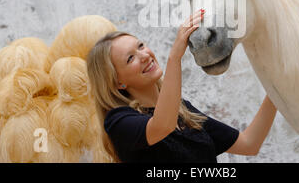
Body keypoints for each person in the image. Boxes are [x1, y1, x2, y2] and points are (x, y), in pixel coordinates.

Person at [86, 9, 277, 163]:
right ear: (118, 82)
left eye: (141, 46)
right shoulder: (118, 121)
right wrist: (175, 56)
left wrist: (276, 87)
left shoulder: (183, 110)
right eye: (130, 58)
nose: (144, 55)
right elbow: (162, 126)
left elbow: (249, 144)